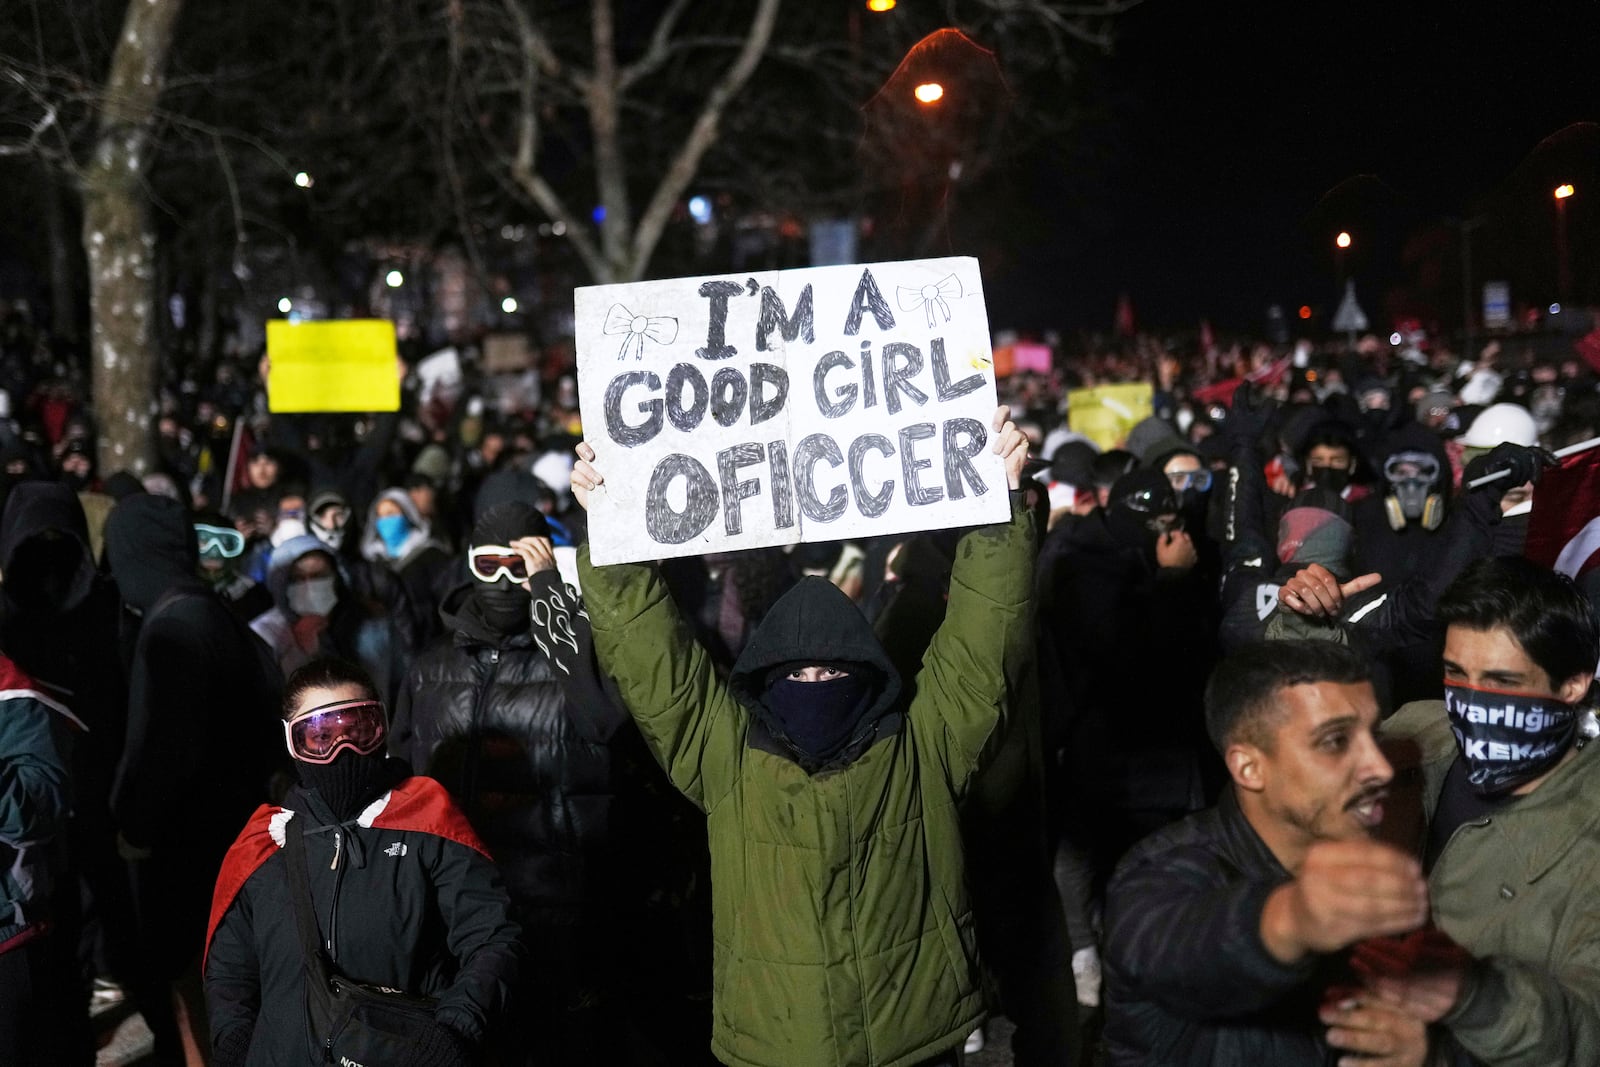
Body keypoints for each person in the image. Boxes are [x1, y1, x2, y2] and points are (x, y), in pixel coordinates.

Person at [568, 406, 1034, 1067]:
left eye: (835, 671)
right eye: (800, 673)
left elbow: (984, 647)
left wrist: (1001, 510)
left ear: (869, 677)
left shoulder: (921, 751)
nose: (818, 684)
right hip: (777, 1048)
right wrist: (611, 532)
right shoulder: (728, 758)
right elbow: (655, 664)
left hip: (911, 1043)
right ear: (765, 681)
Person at [394, 500, 714, 1064]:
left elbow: (604, 716)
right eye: (490, 563)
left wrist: (549, 593)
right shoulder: (429, 667)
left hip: (564, 912)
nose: (503, 580)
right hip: (459, 910)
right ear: (469, 564)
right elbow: (404, 780)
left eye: (520, 564)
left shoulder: (573, 657)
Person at [1103, 640, 1433, 1065]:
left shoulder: (1368, 864)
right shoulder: (1156, 876)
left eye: (1374, 736)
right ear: (1249, 767)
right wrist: (1290, 917)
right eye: (1335, 742)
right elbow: (1177, 944)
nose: (1381, 768)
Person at [204, 657, 521, 1065]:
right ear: (291, 742)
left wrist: (455, 1031)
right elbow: (230, 974)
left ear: (383, 729)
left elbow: (493, 939)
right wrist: (235, 1048)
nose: (343, 750)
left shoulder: (427, 823)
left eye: (358, 730)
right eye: (319, 736)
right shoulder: (265, 845)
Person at [1370, 557, 1600, 1064]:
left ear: (1572, 685)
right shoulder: (1414, 733)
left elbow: (1588, 1032)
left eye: (1502, 681)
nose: (1474, 703)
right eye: (1456, 673)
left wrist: (1475, 993)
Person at [104, 493, 285, 1065]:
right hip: (237, 839)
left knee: (197, 1004)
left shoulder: (172, 627)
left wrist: (134, 821)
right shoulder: (211, 611)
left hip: (189, 852)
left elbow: (162, 746)